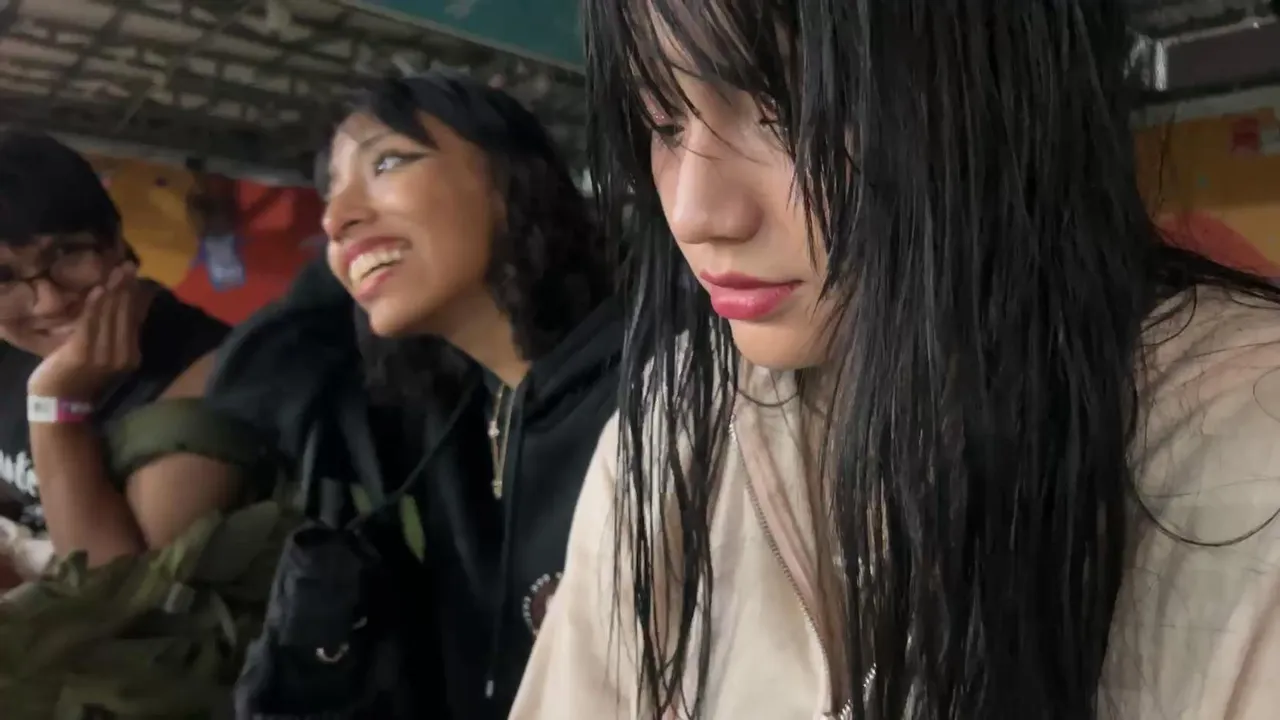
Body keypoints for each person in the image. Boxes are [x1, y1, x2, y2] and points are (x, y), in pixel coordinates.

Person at [511, 2, 1280, 719]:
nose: (695, 212)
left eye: (793, 109)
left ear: (1004, 79)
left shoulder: (1249, 449)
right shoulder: (674, 419)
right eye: (663, 121)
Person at [196, 72, 621, 719]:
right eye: (330, 193)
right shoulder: (442, 420)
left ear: (512, 180)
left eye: (388, 162)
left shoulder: (653, 393)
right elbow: (249, 378)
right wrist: (368, 238)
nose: (333, 219)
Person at [0, 131, 233, 587]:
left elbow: (117, 597)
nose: (49, 301)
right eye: (2, 278)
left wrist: (55, 404)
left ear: (115, 238)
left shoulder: (209, 375)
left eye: (67, 253)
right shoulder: (10, 347)